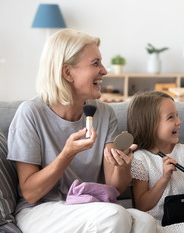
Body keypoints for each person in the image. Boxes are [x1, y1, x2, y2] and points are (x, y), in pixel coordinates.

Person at [7, 29, 156, 233]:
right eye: (95, 63)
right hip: (40, 210)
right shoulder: (31, 113)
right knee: (114, 216)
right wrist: (67, 154)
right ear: (68, 72)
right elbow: (30, 193)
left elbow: (116, 188)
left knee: (145, 222)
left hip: (89, 204)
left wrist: (122, 166)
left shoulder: (104, 114)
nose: (104, 70)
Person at [128, 91, 184, 233]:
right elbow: (142, 206)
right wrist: (164, 179)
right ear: (150, 125)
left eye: (177, 115)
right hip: (156, 224)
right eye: (171, 117)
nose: (178, 122)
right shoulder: (140, 159)